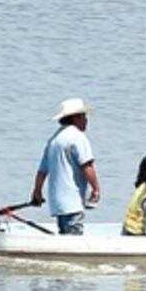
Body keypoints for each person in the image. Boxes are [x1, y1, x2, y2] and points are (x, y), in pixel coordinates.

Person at [30, 97, 101, 235]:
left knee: (64, 234)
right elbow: (87, 165)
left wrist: (37, 191)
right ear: (75, 118)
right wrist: (96, 188)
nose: (86, 120)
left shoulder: (54, 139)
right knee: (74, 236)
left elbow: (42, 170)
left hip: (57, 203)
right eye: (83, 116)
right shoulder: (77, 137)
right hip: (72, 201)